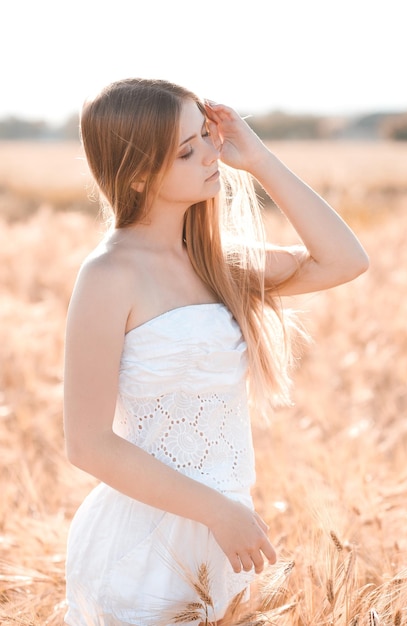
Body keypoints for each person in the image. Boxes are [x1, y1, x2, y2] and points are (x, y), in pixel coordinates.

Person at [63, 77, 368, 626]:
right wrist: (218, 513)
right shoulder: (108, 275)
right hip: (144, 547)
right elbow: (87, 445)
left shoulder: (216, 264)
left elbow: (345, 260)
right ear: (136, 175)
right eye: (188, 150)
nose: (212, 154)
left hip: (225, 539)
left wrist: (262, 160)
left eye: (206, 135)